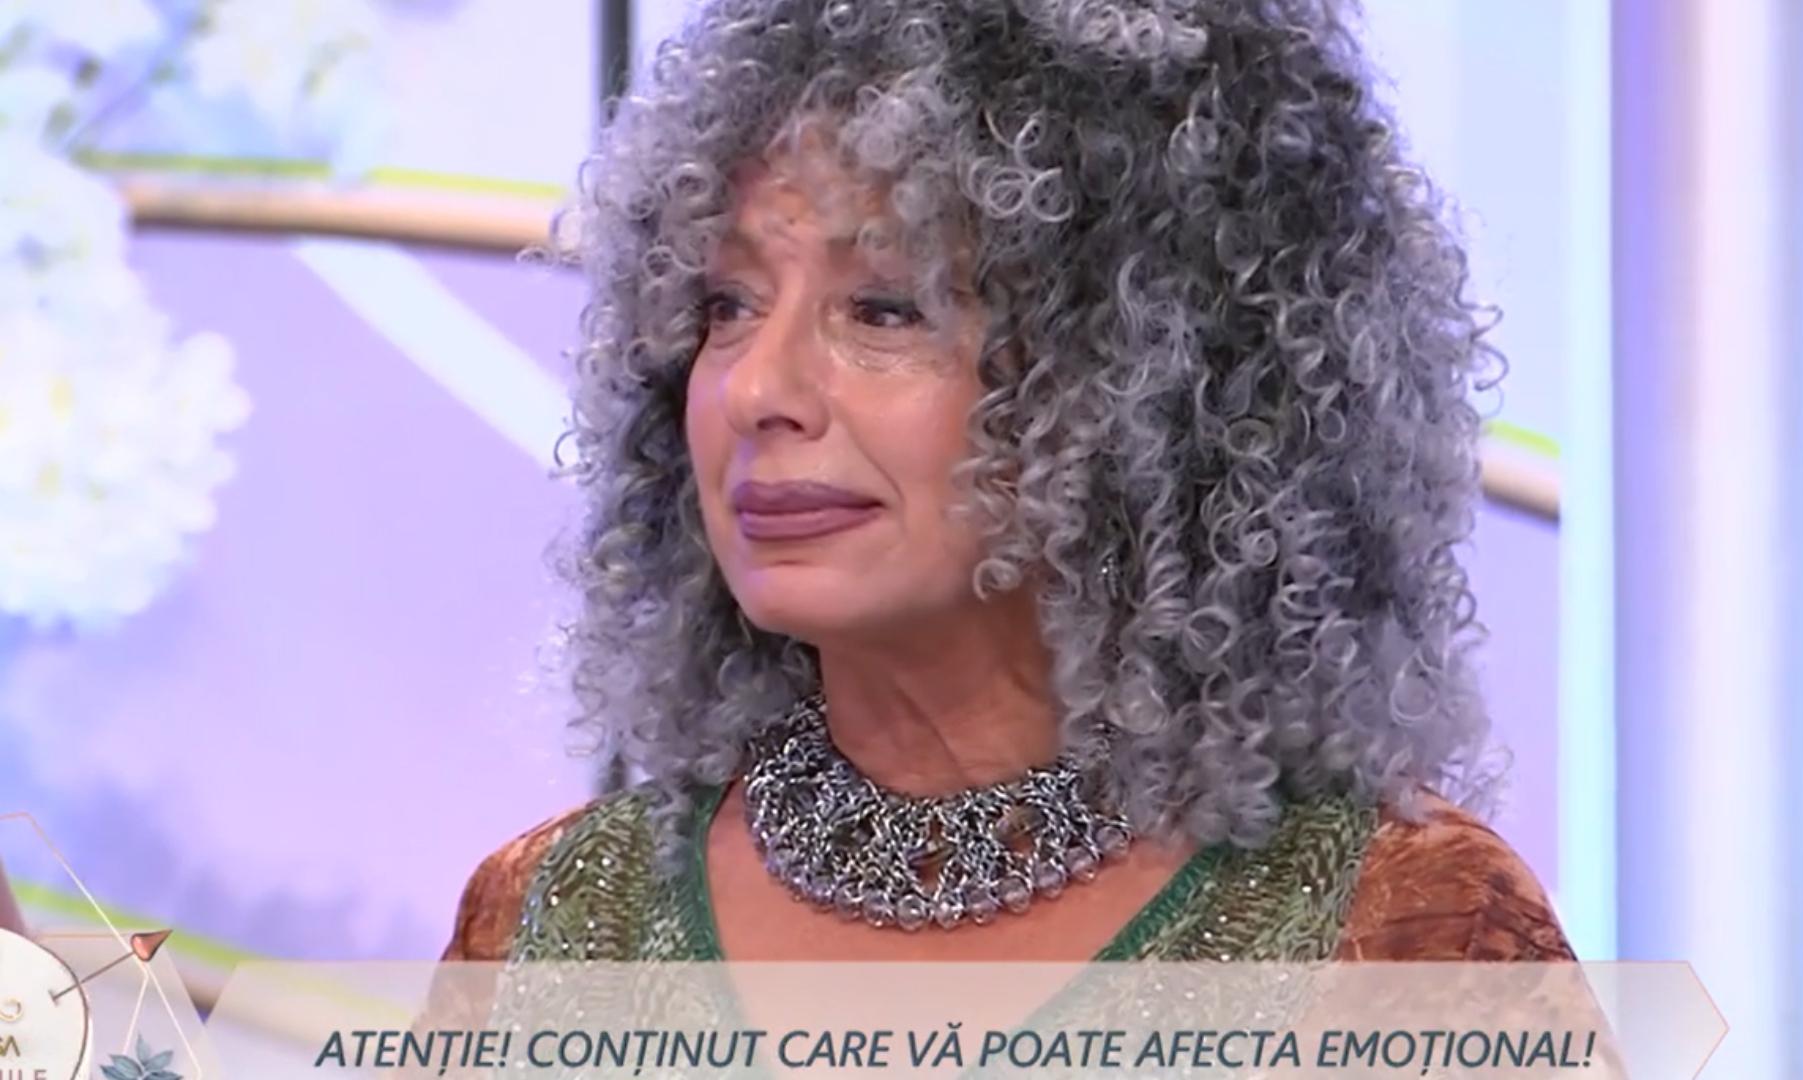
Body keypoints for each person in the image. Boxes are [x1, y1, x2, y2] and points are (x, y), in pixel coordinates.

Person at [442, 0, 1573, 966]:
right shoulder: (553, 928)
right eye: (725, 305)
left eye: (886, 309)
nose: (756, 390)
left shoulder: (1402, 928)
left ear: (1143, 379)